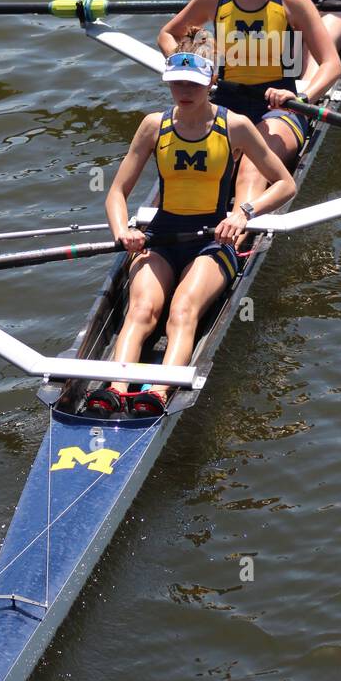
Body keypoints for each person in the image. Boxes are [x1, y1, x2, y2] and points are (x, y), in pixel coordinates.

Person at [100, 36, 295, 417]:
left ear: (211, 82)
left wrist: (243, 213)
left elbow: (286, 183)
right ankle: (114, 389)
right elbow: (116, 193)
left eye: (191, 83)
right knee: (140, 310)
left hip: (212, 241)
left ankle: (157, 393)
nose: (183, 91)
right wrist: (123, 231)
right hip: (161, 237)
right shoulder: (153, 126)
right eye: (176, 81)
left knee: (183, 310)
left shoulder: (234, 126)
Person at [157, 0, 341, 218]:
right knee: (202, 169)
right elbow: (168, 34)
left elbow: (332, 64)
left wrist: (304, 99)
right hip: (227, 102)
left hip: (281, 107)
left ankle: (238, 232)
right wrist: (186, 63)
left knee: (251, 169)